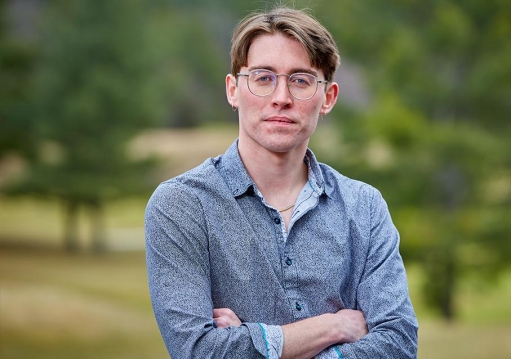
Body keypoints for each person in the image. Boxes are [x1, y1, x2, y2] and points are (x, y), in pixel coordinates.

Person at [145, 6, 418, 359]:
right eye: (263, 77)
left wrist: (249, 340)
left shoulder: (364, 207)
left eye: (301, 80)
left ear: (329, 98)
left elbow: (398, 344)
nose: (281, 97)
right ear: (233, 90)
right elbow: (198, 351)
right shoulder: (181, 206)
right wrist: (333, 328)